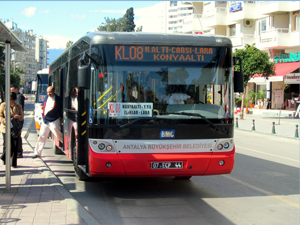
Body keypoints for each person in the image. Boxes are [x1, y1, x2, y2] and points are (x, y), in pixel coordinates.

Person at [32, 86, 63, 158]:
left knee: (58, 134)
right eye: (48, 92)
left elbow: (61, 109)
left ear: (54, 91)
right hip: (45, 120)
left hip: (54, 120)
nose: (49, 94)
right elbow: (44, 104)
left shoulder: (58, 99)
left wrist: (61, 117)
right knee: (41, 136)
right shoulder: (46, 97)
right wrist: (42, 108)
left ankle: (66, 144)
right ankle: (37, 153)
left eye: (50, 92)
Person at [0, 92, 24, 168]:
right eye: (11, 99)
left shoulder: (18, 106)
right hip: (6, 128)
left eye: (14, 99)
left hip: (15, 128)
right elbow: (0, 116)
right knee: (7, 144)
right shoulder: (3, 105)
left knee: (15, 145)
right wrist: (6, 121)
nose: (12, 101)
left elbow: (22, 117)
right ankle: (4, 158)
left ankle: (14, 163)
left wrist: (18, 117)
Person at [10, 84, 25, 158]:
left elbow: (19, 109)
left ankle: (19, 152)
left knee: (17, 136)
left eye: (13, 90)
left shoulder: (19, 97)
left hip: (18, 119)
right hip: (14, 120)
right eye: (10, 90)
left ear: (16, 89)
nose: (12, 92)